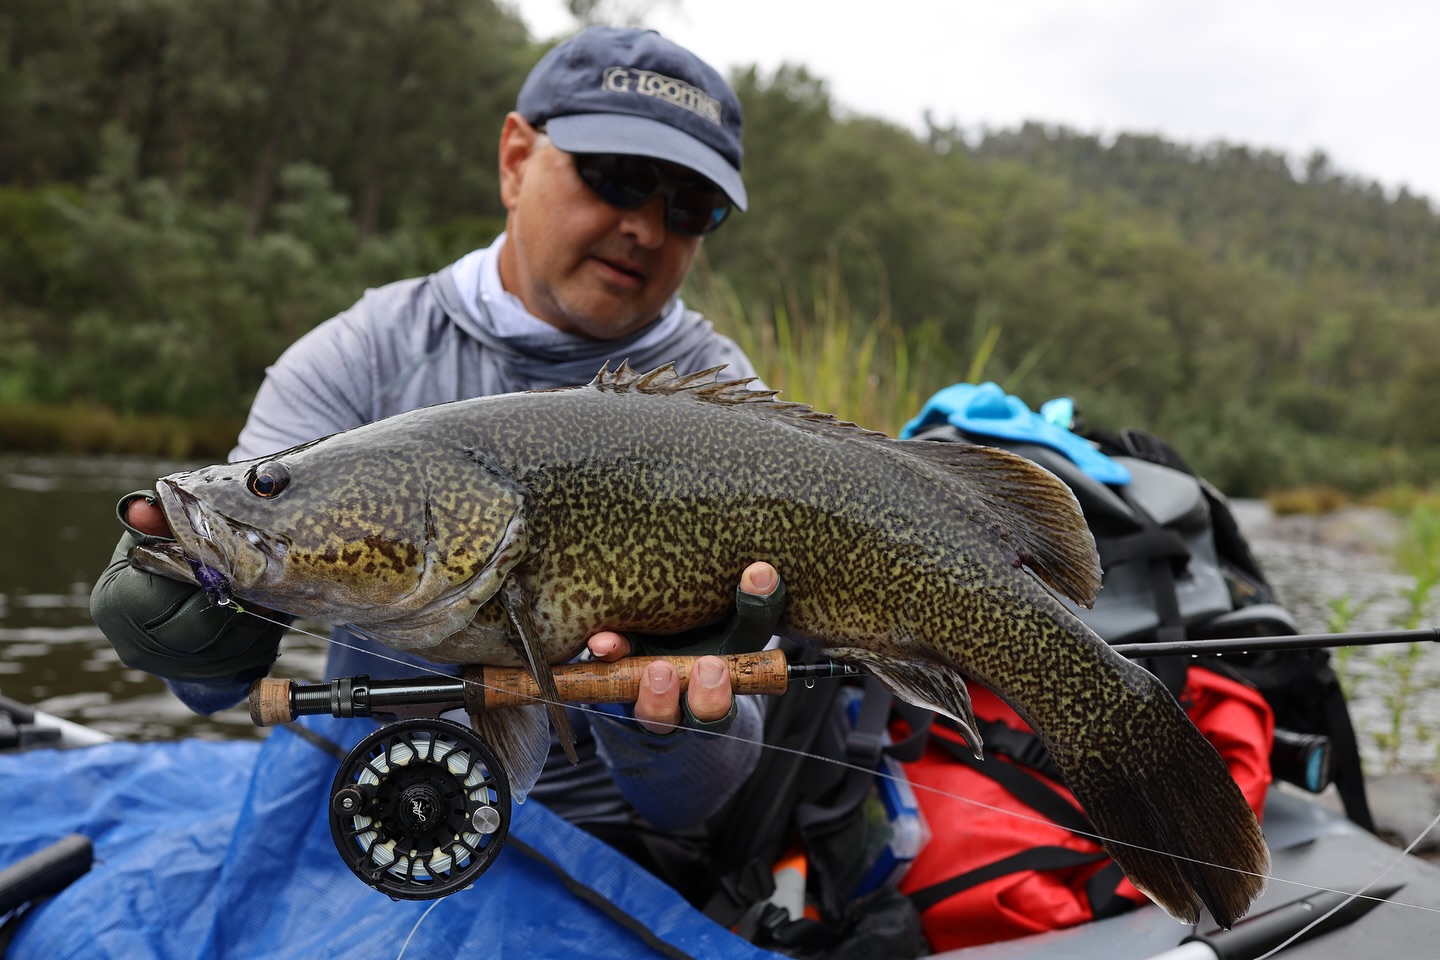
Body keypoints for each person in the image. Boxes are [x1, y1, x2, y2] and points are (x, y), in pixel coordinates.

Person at [90, 25, 780, 892]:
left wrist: (666, 724)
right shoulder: (360, 360)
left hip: (614, 850)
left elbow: (690, 806)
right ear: (516, 156)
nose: (644, 226)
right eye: (615, 176)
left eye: (690, 207)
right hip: (383, 805)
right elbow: (209, 698)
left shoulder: (724, 406)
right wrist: (193, 641)